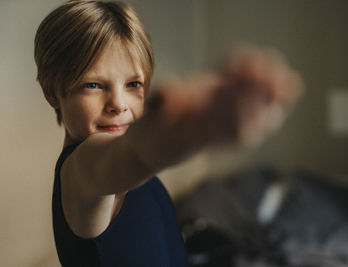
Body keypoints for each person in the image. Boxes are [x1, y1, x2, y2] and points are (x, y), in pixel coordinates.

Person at [34, 0, 303, 266]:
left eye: (133, 84)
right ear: (51, 93)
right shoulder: (82, 171)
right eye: (93, 85)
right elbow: (133, 154)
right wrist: (201, 128)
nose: (118, 103)